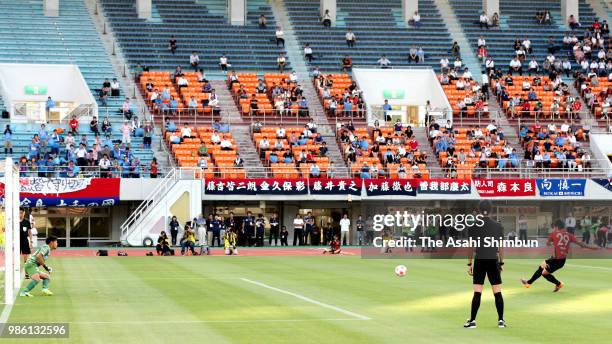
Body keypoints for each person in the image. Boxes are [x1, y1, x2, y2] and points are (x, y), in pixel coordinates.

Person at [521, 219, 598, 291]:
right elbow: (581, 244)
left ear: (556, 226)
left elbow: (548, 244)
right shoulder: (569, 235)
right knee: (541, 266)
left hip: (557, 260)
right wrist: (592, 248)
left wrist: (552, 242)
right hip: (560, 260)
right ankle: (528, 283)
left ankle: (559, 284)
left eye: (554, 226)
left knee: (544, 273)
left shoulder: (553, 234)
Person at [464, 201, 506, 329]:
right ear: (491, 210)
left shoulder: (473, 226)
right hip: (493, 259)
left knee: (477, 292)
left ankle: (472, 321)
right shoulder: (498, 226)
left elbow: (471, 247)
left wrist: (469, 263)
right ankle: (501, 320)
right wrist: (501, 262)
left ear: (478, 210)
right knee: (497, 292)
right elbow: (501, 247)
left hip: (480, 260)